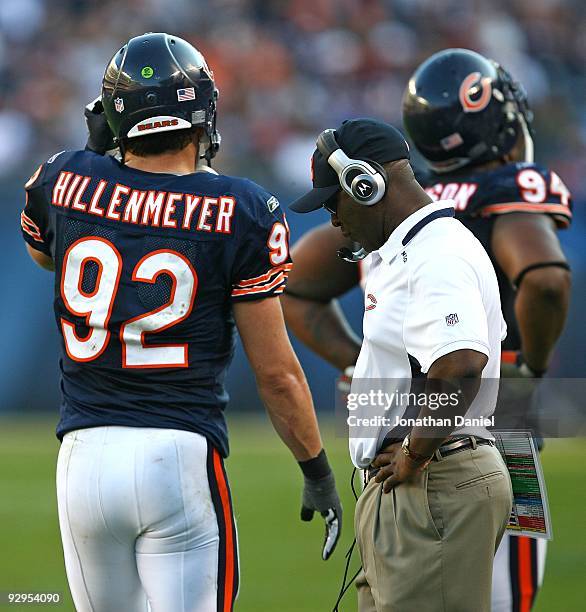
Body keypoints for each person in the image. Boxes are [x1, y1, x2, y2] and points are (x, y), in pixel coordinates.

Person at [20, 32, 341, 612]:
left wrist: (94, 157)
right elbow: (277, 375)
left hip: (82, 457)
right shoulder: (243, 209)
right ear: (200, 113)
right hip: (177, 452)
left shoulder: (63, 176)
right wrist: (315, 466)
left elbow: (46, 253)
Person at [282, 49, 572, 612]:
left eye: (335, 203)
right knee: (508, 591)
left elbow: (293, 282)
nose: (332, 217)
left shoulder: (425, 227)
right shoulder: (450, 211)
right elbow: (546, 279)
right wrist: (529, 365)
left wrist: (361, 370)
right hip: (487, 419)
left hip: (457, 436)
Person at [288, 116, 513, 612]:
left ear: (365, 185)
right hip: (418, 480)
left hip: (434, 477)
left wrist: (413, 451)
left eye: (334, 200)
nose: (333, 219)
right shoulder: (408, 249)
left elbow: (459, 364)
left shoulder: (437, 252)